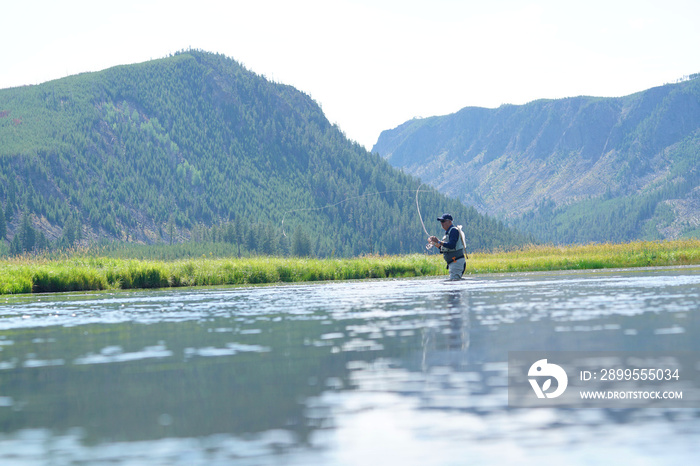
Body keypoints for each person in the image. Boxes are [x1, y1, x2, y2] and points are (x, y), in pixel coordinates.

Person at [428, 213, 466, 281]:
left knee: (454, 283)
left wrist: (439, 241)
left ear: (450, 222)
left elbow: (451, 245)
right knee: (454, 283)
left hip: (456, 262)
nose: (441, 223)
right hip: (454, 262)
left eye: (443, 221)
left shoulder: (454, 230)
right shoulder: (449, 232)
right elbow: (443, 248)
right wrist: (434, 243)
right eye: (441, 222)